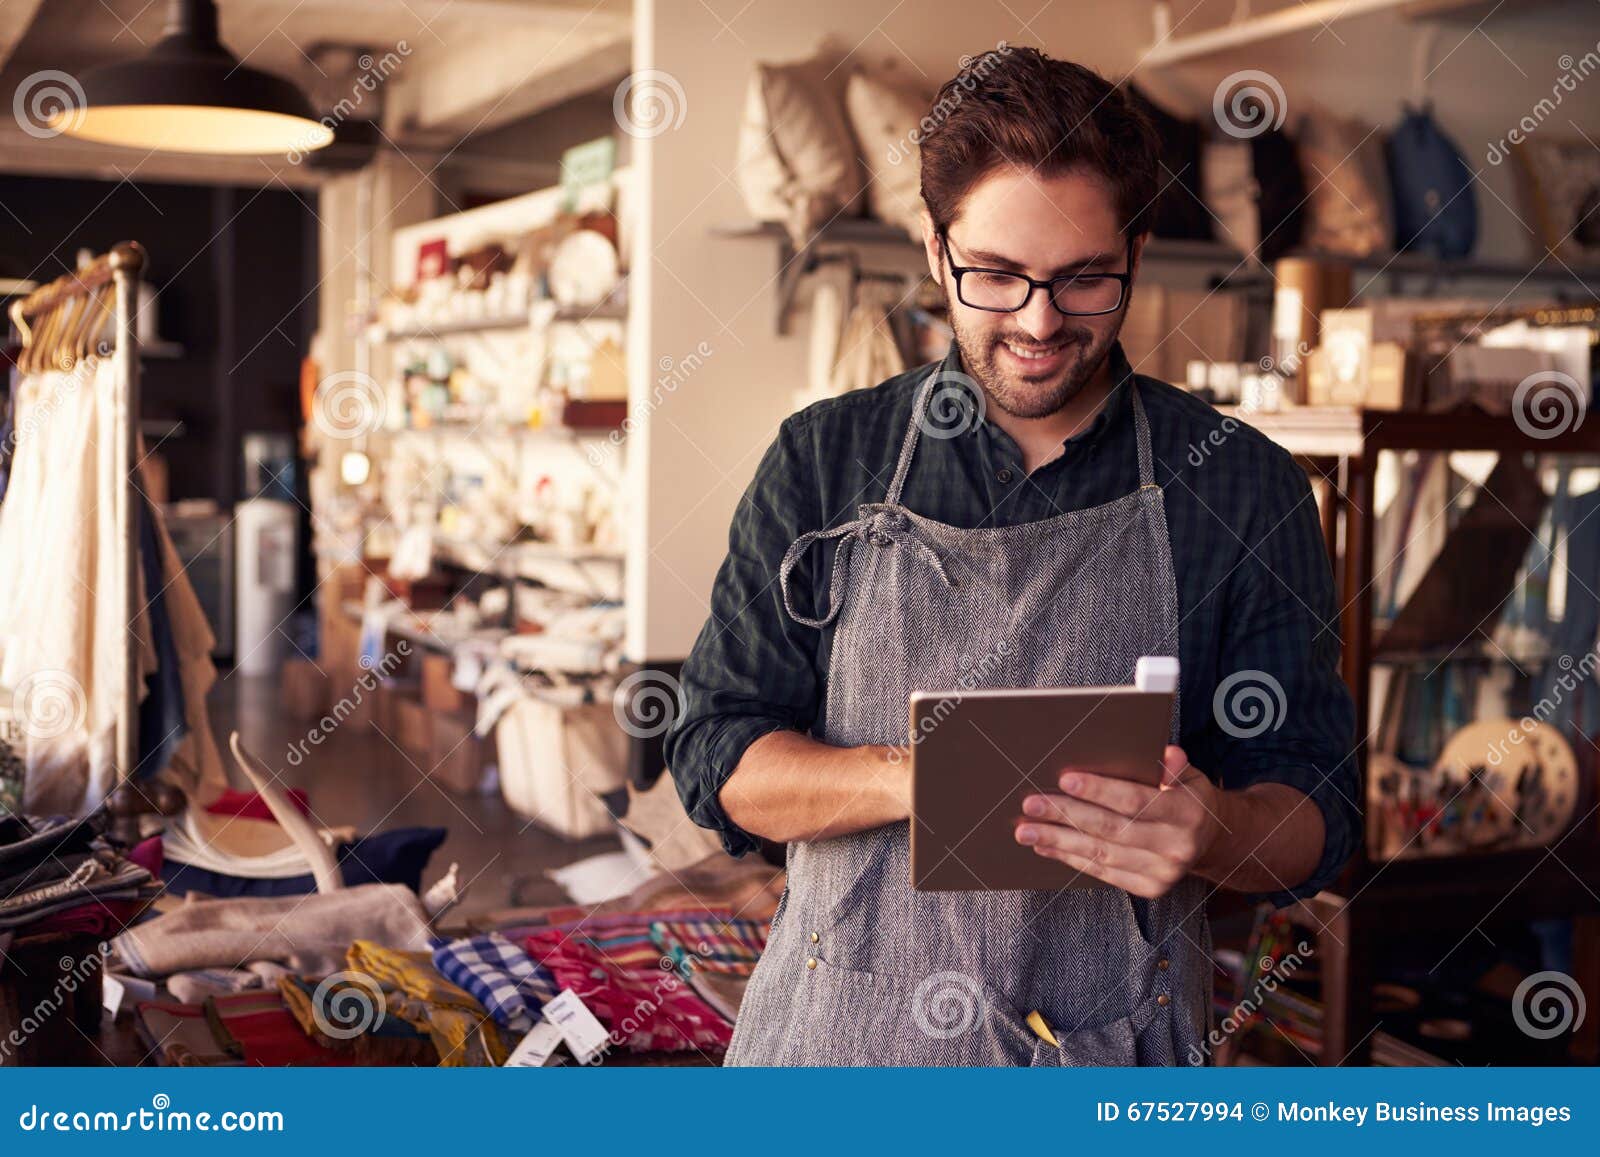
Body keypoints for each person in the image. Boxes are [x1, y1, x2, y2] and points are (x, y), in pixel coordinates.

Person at [664, 46, 1357, 1066]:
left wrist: (1212, 832)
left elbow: (1319, 808)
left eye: (1084, 279)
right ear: (938, 253)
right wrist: (922, 777)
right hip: (843, 1051)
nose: (1038, 322)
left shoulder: (1237, 483)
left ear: (1137, 247)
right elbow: (715, 755)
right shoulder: (824, 460)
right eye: (994, 277)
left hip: (1116, 1051)